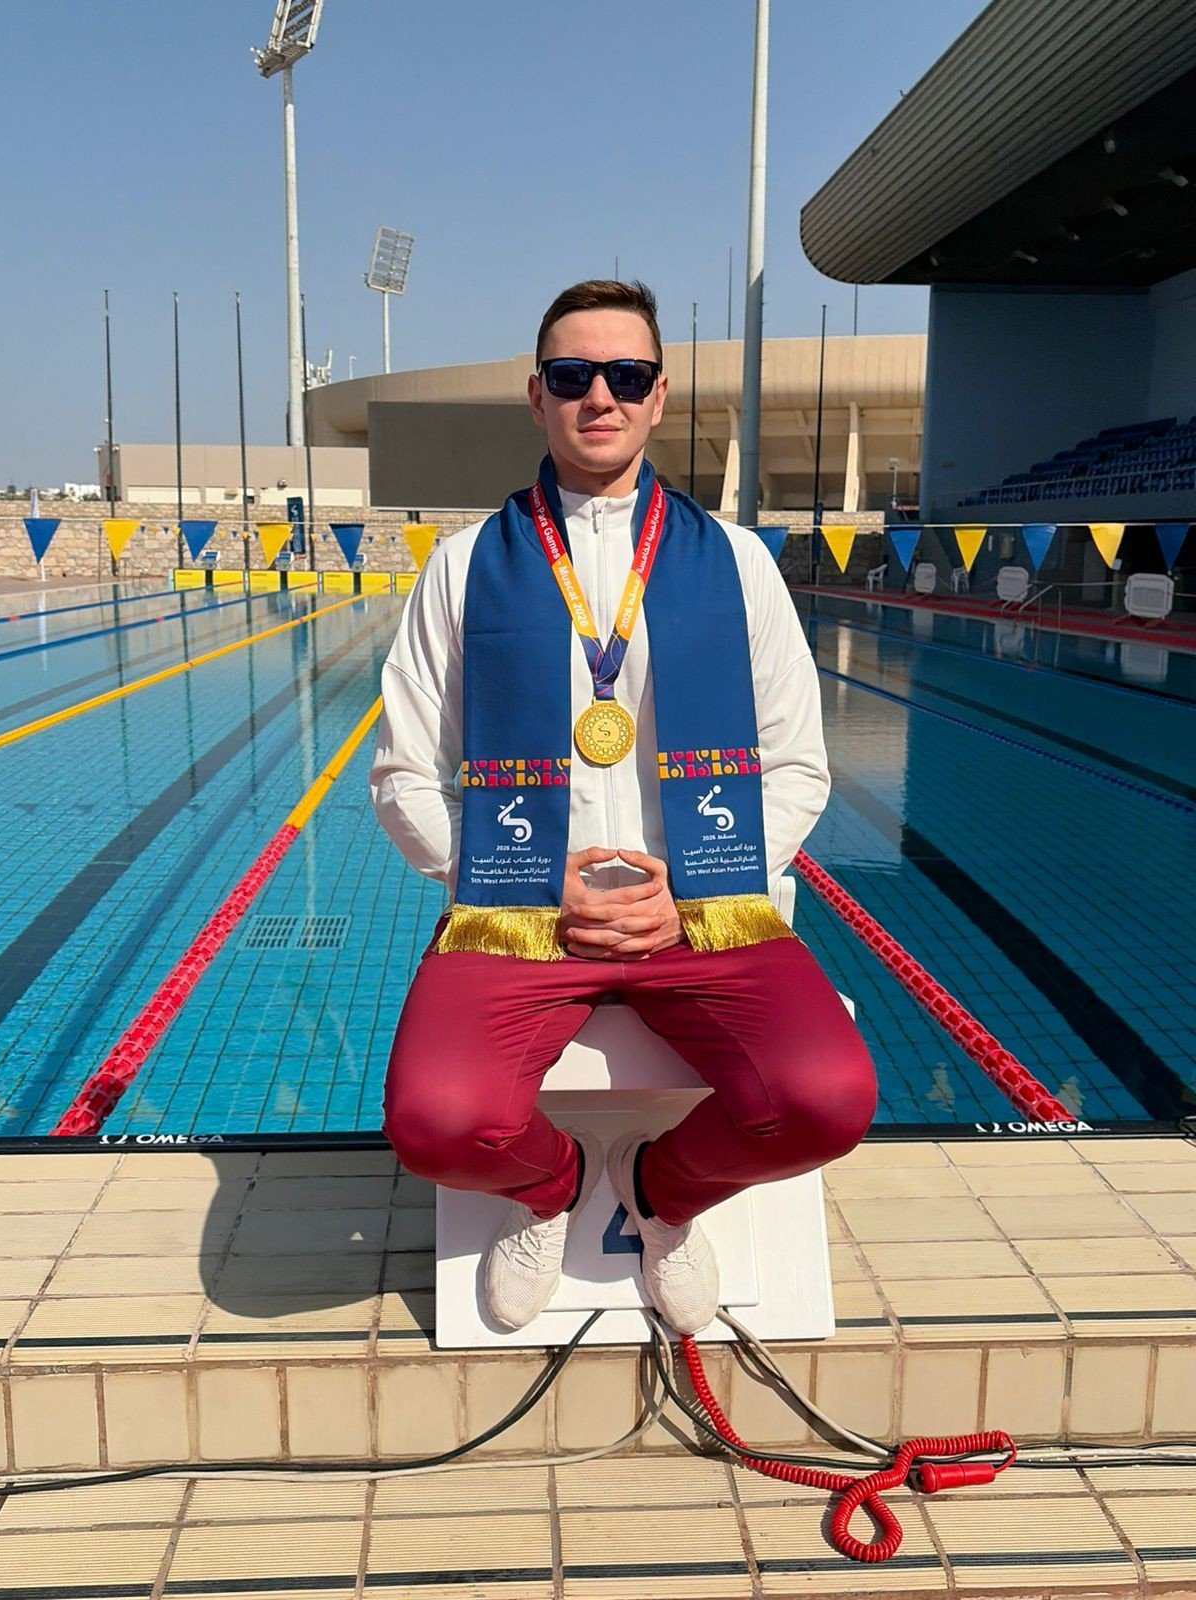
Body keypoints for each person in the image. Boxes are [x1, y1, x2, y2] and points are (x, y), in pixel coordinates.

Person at [370, 279, 876, 1335]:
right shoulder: (464, 568)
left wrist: (685, 890)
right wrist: (516, 878)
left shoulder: (736, 563)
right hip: (523, 911)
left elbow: (796, 765)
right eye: (572, 375)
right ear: (537, 396)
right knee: (433, 1121)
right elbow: (404, 774)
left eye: (626, 375)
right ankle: (551, 1189)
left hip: (701, 910)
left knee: (828, 1099)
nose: (599, 396)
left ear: (657, 396)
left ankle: (661, 1191)